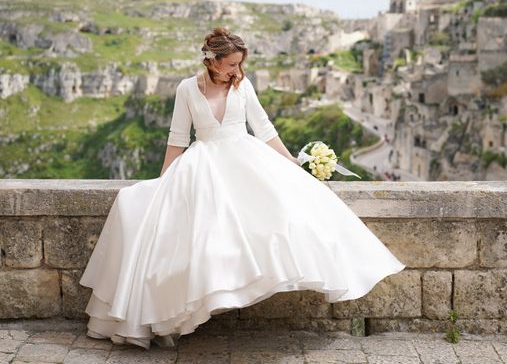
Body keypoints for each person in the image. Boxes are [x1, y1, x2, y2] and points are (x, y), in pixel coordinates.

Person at [79, 27, 406, 350]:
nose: (237, 70)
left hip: (247, 158)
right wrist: (164, 182)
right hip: (203, 165)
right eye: (232, 64)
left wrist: (291, 160)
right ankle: (181, 307)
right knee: (197, 237)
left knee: (285, 220)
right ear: (213, 60)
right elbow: (178, 138)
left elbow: (263, 128)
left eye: (239, 64)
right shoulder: (186, 89)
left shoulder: (243, 85)